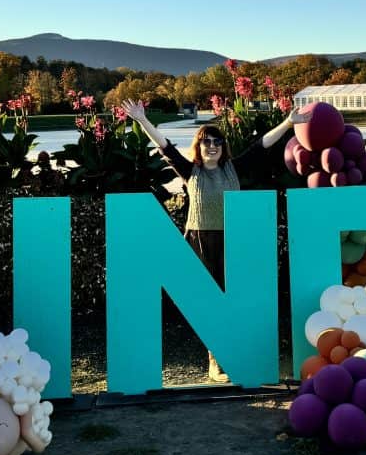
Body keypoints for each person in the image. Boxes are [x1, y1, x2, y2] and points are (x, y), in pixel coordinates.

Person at [122, 99, 311, 383]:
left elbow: (262, 146)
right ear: (198, 146)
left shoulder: (233, 169)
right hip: (200, 242)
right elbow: (165, 146)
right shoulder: (190, 172)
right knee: (209, 303)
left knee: (233, 299)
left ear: (223, 148)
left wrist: (287, 123)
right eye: (206, 141)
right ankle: (215, 361)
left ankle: (235, 355)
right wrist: (142, 120)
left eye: (217, 142)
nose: (212, 146)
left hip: (233, 242)